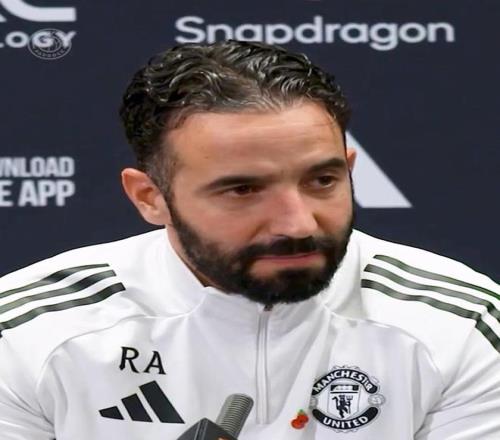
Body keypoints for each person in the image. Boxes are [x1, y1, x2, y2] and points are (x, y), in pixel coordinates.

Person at [0, 40, 498, 440]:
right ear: (150, 198)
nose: (297, 224)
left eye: (322, 180)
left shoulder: (461, 321)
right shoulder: (26, 334)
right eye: (242, 190)